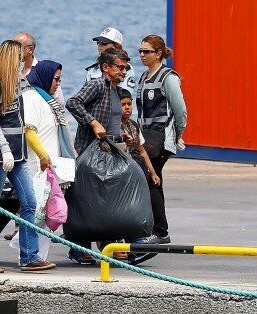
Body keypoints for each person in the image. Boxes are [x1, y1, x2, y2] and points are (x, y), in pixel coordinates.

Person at [0, 40, 55, 273]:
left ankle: (29, 256)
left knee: (30, 202)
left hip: (17, 154)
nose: (23, 62)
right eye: (19, 58)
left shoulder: (18, 82)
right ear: (11, 58)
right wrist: (4, 149)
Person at [65, 47, 132, 264]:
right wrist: (92, 122)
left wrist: (120, 133)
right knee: (88, 200)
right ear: (105, 67)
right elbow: (73, 102)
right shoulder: (97, 85)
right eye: (119, 67)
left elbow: (111, 118)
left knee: (106, 200)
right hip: (90, 152)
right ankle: (81, 247)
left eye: (125, 67)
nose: (123, 71)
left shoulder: (115, 89)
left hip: (107, 152)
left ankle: (106, 241)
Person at [3, 32, 68, 241]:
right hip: (37, 163)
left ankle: (36, 255)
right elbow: (29, 130)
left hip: (48, 163)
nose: (58, 83)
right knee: (33, 208)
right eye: (56, 79)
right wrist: (43, 155)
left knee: (41, 211)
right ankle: (29, 255)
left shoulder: (47, 98)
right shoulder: (32, 96)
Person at [137, 35, 187, 244]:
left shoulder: (168, 78)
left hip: (161, 138)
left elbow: (180, 110)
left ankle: (160, 232)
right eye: (140, 51)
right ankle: (152, 228)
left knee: (151, 178)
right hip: (146, 137)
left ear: (158, 54)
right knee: (150, 178)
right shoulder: (143, 77)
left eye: (147, 51)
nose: (142, 55)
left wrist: (178, 134)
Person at [85, 27, 137, 121]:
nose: (100, 46)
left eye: (104, 43)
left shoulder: (126, 69)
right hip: (93, 119)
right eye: (98, 43)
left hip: (115, 119)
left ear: (116, 46)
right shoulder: (92, 70)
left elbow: (124, 98)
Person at [119, 89, 161, 186]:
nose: (127, 108)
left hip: (136, 167)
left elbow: (142, 152)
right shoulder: (112, 126)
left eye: (129, 104)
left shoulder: (134, 126)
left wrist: (153, 173)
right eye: (123, 105)